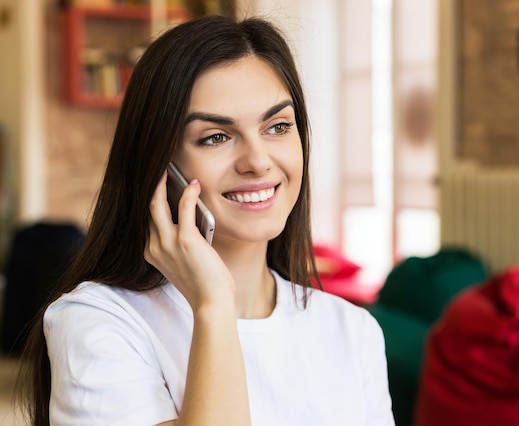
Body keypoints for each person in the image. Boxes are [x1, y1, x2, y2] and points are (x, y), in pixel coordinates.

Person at [16, 14, 395, 426]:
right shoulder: (97, 321)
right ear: (160, 165)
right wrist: (213, 305)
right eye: (216, 136)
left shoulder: (354, 332)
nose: (257, 161)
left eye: (278, 126)